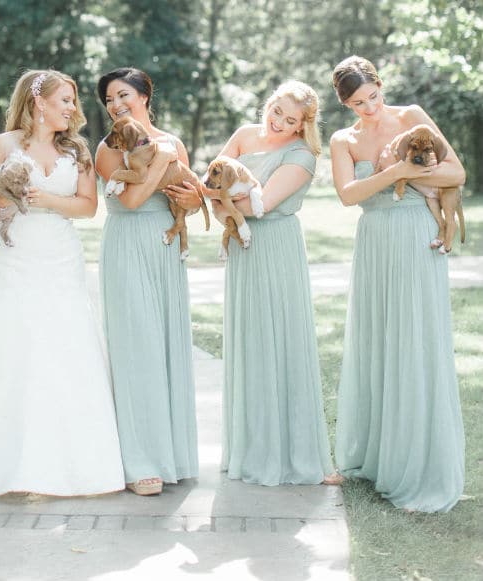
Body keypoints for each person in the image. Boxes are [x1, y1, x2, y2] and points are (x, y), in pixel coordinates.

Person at [0, 69, 124, 496]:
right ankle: (7, 460)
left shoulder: (78, 150)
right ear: (39, 103)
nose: (74, 109)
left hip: (58, 258)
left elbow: (89, 206)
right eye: (66, 100)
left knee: (64, 346)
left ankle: (71, 460)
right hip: (12, 256)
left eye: (73, 101)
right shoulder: (4, 145)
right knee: (13, 347)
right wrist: (6, 199)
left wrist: (46, 200)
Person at [175, 80, 341, 486]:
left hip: (276, 249)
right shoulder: (245, 135)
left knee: (282, 340)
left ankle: (297, 455)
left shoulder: (303, 155)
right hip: (241, 251)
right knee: (250, 342)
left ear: (304, 125)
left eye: (291, 119)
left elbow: (260, 206)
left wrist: (214, 199)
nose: (280, 122)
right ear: (268, 104)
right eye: (277, 111)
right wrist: (212, 196)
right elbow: (204, 182)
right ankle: (252, 449)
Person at [329, 56, 465, 512]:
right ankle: (376, 457)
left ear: (380, 86)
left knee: (413, 341)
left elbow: (456, 173)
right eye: (356, 103)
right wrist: (399, 172)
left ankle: (417, 465)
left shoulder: (411, 117)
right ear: (345, 104)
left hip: (413, 234)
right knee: (377, 342)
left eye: (372, 97)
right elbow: (349, 195)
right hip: (374, 242)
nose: (368, 108)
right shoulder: (343, 140)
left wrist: (409, 173)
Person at [95, 67, 200, 496]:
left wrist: (195, 200)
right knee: (136, 346)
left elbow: (186, 199)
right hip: (127, 243)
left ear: (144, 95)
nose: (116, 104)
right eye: (109, 100)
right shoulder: (107, 149)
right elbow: (134, 198)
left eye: (123, 95)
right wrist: (159, 161)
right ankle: (140, 462)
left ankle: (172, 453)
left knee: (167, 343)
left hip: (164, 247)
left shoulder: (173, 142)